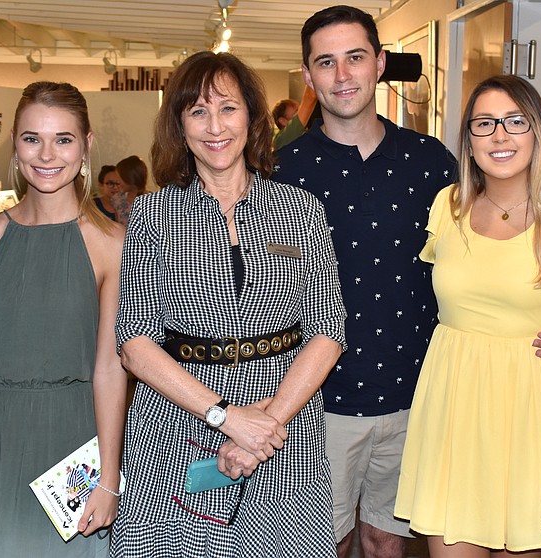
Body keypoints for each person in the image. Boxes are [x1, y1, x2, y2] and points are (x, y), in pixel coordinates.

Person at [272, 6, 541, 558]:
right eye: (326, 62)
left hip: (426, 399)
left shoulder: (432, 163)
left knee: (388, 543)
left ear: (380, 63)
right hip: (316, 403)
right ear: (308, 75)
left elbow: (493, 257)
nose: (343, 74)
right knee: (320, 544)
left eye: (355, 57)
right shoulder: (278, 171)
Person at [111, 50, 347, 557]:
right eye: (198, 111)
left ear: (252, 118)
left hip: (284, 430)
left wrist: (265, 425)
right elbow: (134, 344)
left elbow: (329, 330)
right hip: (177, 428)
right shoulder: (153, 214)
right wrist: (227, 418)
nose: (215, 126)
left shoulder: (300, 210)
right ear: (179, 127)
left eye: (228, 108)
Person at [395, 74, 541, 556]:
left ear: (538, 133)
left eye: (515, 121)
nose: (499, 135)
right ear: (469, 142)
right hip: (451, 413)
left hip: (532, 417)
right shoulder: (447, 206)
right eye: (485, 123)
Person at [0, 81, 127, 557]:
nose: (47, 154)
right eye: (32, 138)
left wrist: (109, 478)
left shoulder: (112, 244)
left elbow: (110, 369)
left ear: (86, 145)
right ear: (15, 143)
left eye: (63, 139)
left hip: (74, 439)